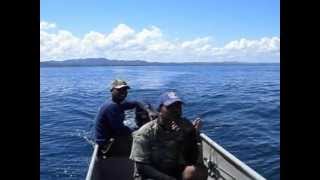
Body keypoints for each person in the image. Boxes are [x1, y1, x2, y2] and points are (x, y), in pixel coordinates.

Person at [130, 91, 208, 180]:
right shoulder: (145, 132)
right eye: (170, 107)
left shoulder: (185, 125)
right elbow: (141, 167)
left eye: (178, 106)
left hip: (172, 170)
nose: (176, 110)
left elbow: (191, 159)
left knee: (199, 171)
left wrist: (190, 135)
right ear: (159, 110)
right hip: (150, 174)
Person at [95, 79, 156, 157]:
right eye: (119, 90)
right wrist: (140, 132)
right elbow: (120, 130)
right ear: (112, 90)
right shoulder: (111, 106)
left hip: (114, 136)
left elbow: (137, 102)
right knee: (146, 142)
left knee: (144, 104)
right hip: (107, 146)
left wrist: (149, 111)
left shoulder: (118, 103)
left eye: (125, 90)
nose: (123, 92)